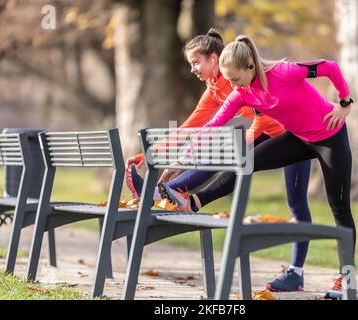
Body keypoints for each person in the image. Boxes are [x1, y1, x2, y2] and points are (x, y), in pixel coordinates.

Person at [159, 34, 355, 300]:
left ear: (250, 66)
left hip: (330, 135)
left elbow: (329, 67)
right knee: (246, 162)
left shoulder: (284, 72)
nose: (233, 86)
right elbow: (212, 126)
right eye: (228, 81)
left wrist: (344, 103)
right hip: (298, 138)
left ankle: (346, 279)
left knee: (339, 208)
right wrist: (180, 161)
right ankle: (194, 200)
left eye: (236, 79)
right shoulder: (241, 93)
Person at [126, 29, 314, 292]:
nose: (192, 69)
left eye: (195, 62)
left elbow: (267, 111)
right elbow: (190, 128)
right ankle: (168, 192)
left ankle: (296, 272)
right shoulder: (214, 90)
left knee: (295, 201)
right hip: (268, 132)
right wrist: (147, 155)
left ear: (213, 59)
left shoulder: (239, 73)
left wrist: (247, 137)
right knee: (226, 152)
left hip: (295, 133)